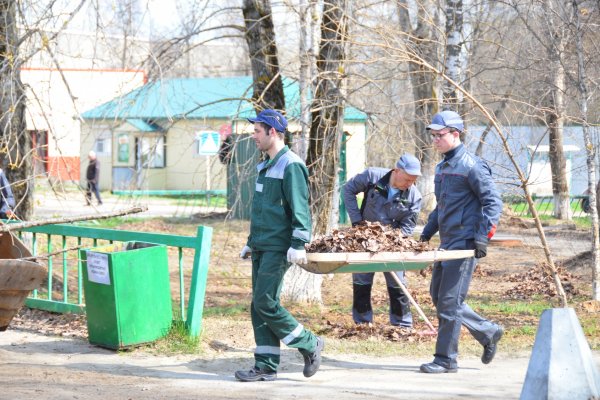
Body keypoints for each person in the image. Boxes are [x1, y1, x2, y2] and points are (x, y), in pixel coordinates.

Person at [235, 109, 324, 382]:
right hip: (262, 245)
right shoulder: (266, 165)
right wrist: (251, 242)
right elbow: (263, 210)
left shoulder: (291, 165)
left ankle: (309, 343)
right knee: (259, 305)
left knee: (265, 301)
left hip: (279, 247)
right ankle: (265, 366)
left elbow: (300, 208)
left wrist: (299, 243)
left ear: (272, 132)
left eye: (257, 131)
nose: (253, 136)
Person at [419, 110, 504, 374]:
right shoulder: (442, 167)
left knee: (449, 302)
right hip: (446, 243)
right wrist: (426, 233)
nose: (435, 140)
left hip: (465, 244)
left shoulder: (472, 166)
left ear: (455, 134)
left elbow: (493, 202)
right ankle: (488, 331)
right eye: (433, 135)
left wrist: (482, 238)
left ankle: (446, 360)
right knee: (439, 297)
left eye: (440, 135)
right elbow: (441, 207)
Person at [342, 154, 423, 327]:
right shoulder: (372, 177)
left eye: (413, 180)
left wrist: (393, 243)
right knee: (361, 280)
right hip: (364, 239)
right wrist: (357, 222)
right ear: (397, 170)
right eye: (408, 179)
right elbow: (348, 190)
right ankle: (362, 323)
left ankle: (402, 325)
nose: (410, 184)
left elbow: (408, 227)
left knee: (398, 283)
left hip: (393, 245)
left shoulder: (414, 197)